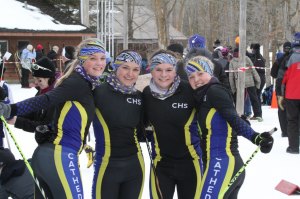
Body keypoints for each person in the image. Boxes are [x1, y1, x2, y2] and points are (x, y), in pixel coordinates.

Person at [0, 38, 106, 198]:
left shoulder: (87, 83)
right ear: (82, 60)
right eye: (93, 58)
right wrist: (10, 109)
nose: (99, 63)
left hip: (57, 154)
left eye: (102, 58)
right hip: (61, 156)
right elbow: (46, 99)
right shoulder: (77, 83)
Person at [184, 55, 274, 199]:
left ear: (210, 72)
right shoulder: (202, 96)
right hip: (218, 165)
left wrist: (255, 137)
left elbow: (233, 118)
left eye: (200, 73)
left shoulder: (214, 91)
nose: (196, 80)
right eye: (191, 77)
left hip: (222, 164)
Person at [142, 50, 202, 199]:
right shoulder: (147, 94)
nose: (164, 75)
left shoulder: (189, 90)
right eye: (158, 70)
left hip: (191, 164)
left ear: (175, 71)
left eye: (169, 70)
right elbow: (139, 125)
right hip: (161, 165)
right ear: (151, 70)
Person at [92, 50, 145, 199]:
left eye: (135, 69)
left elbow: (144, 129)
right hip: (107, 166)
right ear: (116, 67)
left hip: (135, 166)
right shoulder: (98, 92)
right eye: (125, 67)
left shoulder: (139, 97)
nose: (130, 74)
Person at [8, 57, 56, 134]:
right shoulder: (42, 91)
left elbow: (45, 127)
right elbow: (34, 112)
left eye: (39, 80)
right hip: (44, 140)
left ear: (49, 78)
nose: (36, 83)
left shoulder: (56, 98)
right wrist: (12, 113)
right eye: (35, 79)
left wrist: (17, 121)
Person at [278, 32, 300, 154]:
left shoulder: (289, 57)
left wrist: (281, 94)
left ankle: (294, 147)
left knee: (292, 121)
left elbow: (283, 78)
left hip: (291, 95)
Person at [229, 48, 262, 121]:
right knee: (254, 99)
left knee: (239, 100)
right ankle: (258, 115)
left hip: (239, 84)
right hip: (250, 82)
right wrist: (258, 81)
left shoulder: (232, 62)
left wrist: (233, 88)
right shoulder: (247, 59)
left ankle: (240, 115)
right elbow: (253, 70)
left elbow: (231, 76)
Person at [271, 41, 291, 137]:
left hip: (280, 86)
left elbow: (273, 73)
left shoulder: (279, 59)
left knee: (281, 108)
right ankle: (293, 130)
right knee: (293, 108)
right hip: (292, 86)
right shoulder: (295, 58)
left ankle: (285, 131)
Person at [248, 43, 266, 120]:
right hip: (262, 78)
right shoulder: (260, 56)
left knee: (255, 97)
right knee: (257, 96)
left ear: (254, 49)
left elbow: (253, 67)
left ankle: (257, 114)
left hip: (257, 78)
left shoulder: (255, 56)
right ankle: (258, 113)